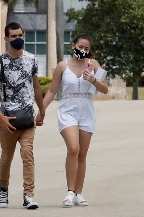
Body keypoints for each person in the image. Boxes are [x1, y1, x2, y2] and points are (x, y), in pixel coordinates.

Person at [42, 34, 108, 208]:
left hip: (87, 109)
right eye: (80, 47)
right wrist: (40, 111)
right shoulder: (62, 66)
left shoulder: (94, 65)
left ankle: (79, 193)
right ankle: (70, 192)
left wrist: (93, 79)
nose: (83, 50)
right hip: (68, 109)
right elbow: (51, 91)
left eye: (86, 48)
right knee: (73, 148)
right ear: (73, 46)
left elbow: (105, 88)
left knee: (82, 153)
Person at [0, 22, 47, 210]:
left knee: (27, 154)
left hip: (27, 117)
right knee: (7, 157)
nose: (18, 39)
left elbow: (37, 87)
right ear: (6, 39)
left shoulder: (32, 59)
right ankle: (3, 189)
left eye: (20, 35)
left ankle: (28, 195)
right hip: (8, 119)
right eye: (13, 36)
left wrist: (42, 110)